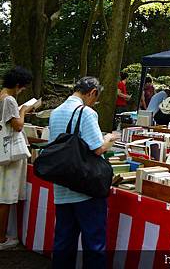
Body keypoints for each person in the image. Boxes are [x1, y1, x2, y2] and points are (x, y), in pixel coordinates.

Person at [49, 76, 117, 269]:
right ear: (92, 93)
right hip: (86, 188)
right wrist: (109, 138)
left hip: (62, 186)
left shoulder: (55, 112)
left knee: (63, 241)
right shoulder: (86, 112)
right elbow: (97, 148)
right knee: (94, 243)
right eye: (96, 97)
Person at [0, 66, 35, 250]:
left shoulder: (1, 96)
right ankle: (2, 238)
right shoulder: (10, 100)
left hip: (2, 150)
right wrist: (24, 110)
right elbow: (18, 126)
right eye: (23, 86)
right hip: (9, 154)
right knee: (5, 196)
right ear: (18, 84)